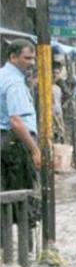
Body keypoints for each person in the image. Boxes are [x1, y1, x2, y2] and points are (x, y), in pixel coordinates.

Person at [0, 39, 41, 191]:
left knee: (6, 193)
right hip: (16, 144)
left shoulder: (2, 75)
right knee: (22, 194)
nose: (32, 63)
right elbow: (16, 121)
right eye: (27, 58)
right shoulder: (14, 83)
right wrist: (35, 150)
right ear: (13, 57)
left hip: (5, 142)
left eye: (34, 58)